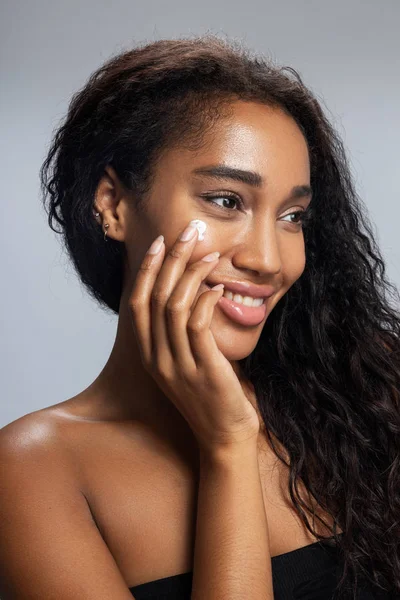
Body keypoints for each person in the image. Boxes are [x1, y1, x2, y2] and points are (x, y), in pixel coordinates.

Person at [0, 35, 399, 600]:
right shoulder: (36, 471)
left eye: (292, 215)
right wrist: (228, 446)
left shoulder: (367, 392)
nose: (267, 258)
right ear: (114, 204)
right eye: (226, 200)